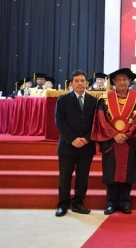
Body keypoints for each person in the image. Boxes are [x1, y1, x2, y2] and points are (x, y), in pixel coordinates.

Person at [91, 68, 136, 215]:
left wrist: (128, 134)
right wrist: (114, 134)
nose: (122, 82)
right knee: (111, 172)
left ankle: (125, 202)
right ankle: (110, 203)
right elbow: (102, 120)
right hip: (111, 141)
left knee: (127, 173)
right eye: (119, 80)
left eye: (125, 79)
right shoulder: (104, 99)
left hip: (129, 141)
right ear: (114, 82)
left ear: (130, 81)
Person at [54, 70, 97, 217]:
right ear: (71, 83)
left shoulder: (93, 100)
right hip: (67, 145)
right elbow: (60, 122)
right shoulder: (62, 100)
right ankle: (63, 205)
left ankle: (78, 204)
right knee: (65, 176)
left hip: (87, 145)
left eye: (82, 80)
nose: (80, 83)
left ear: (87, 83)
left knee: (82, 177)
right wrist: (73, 139)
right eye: (76, 80)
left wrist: (86, 138)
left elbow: (96, 123)